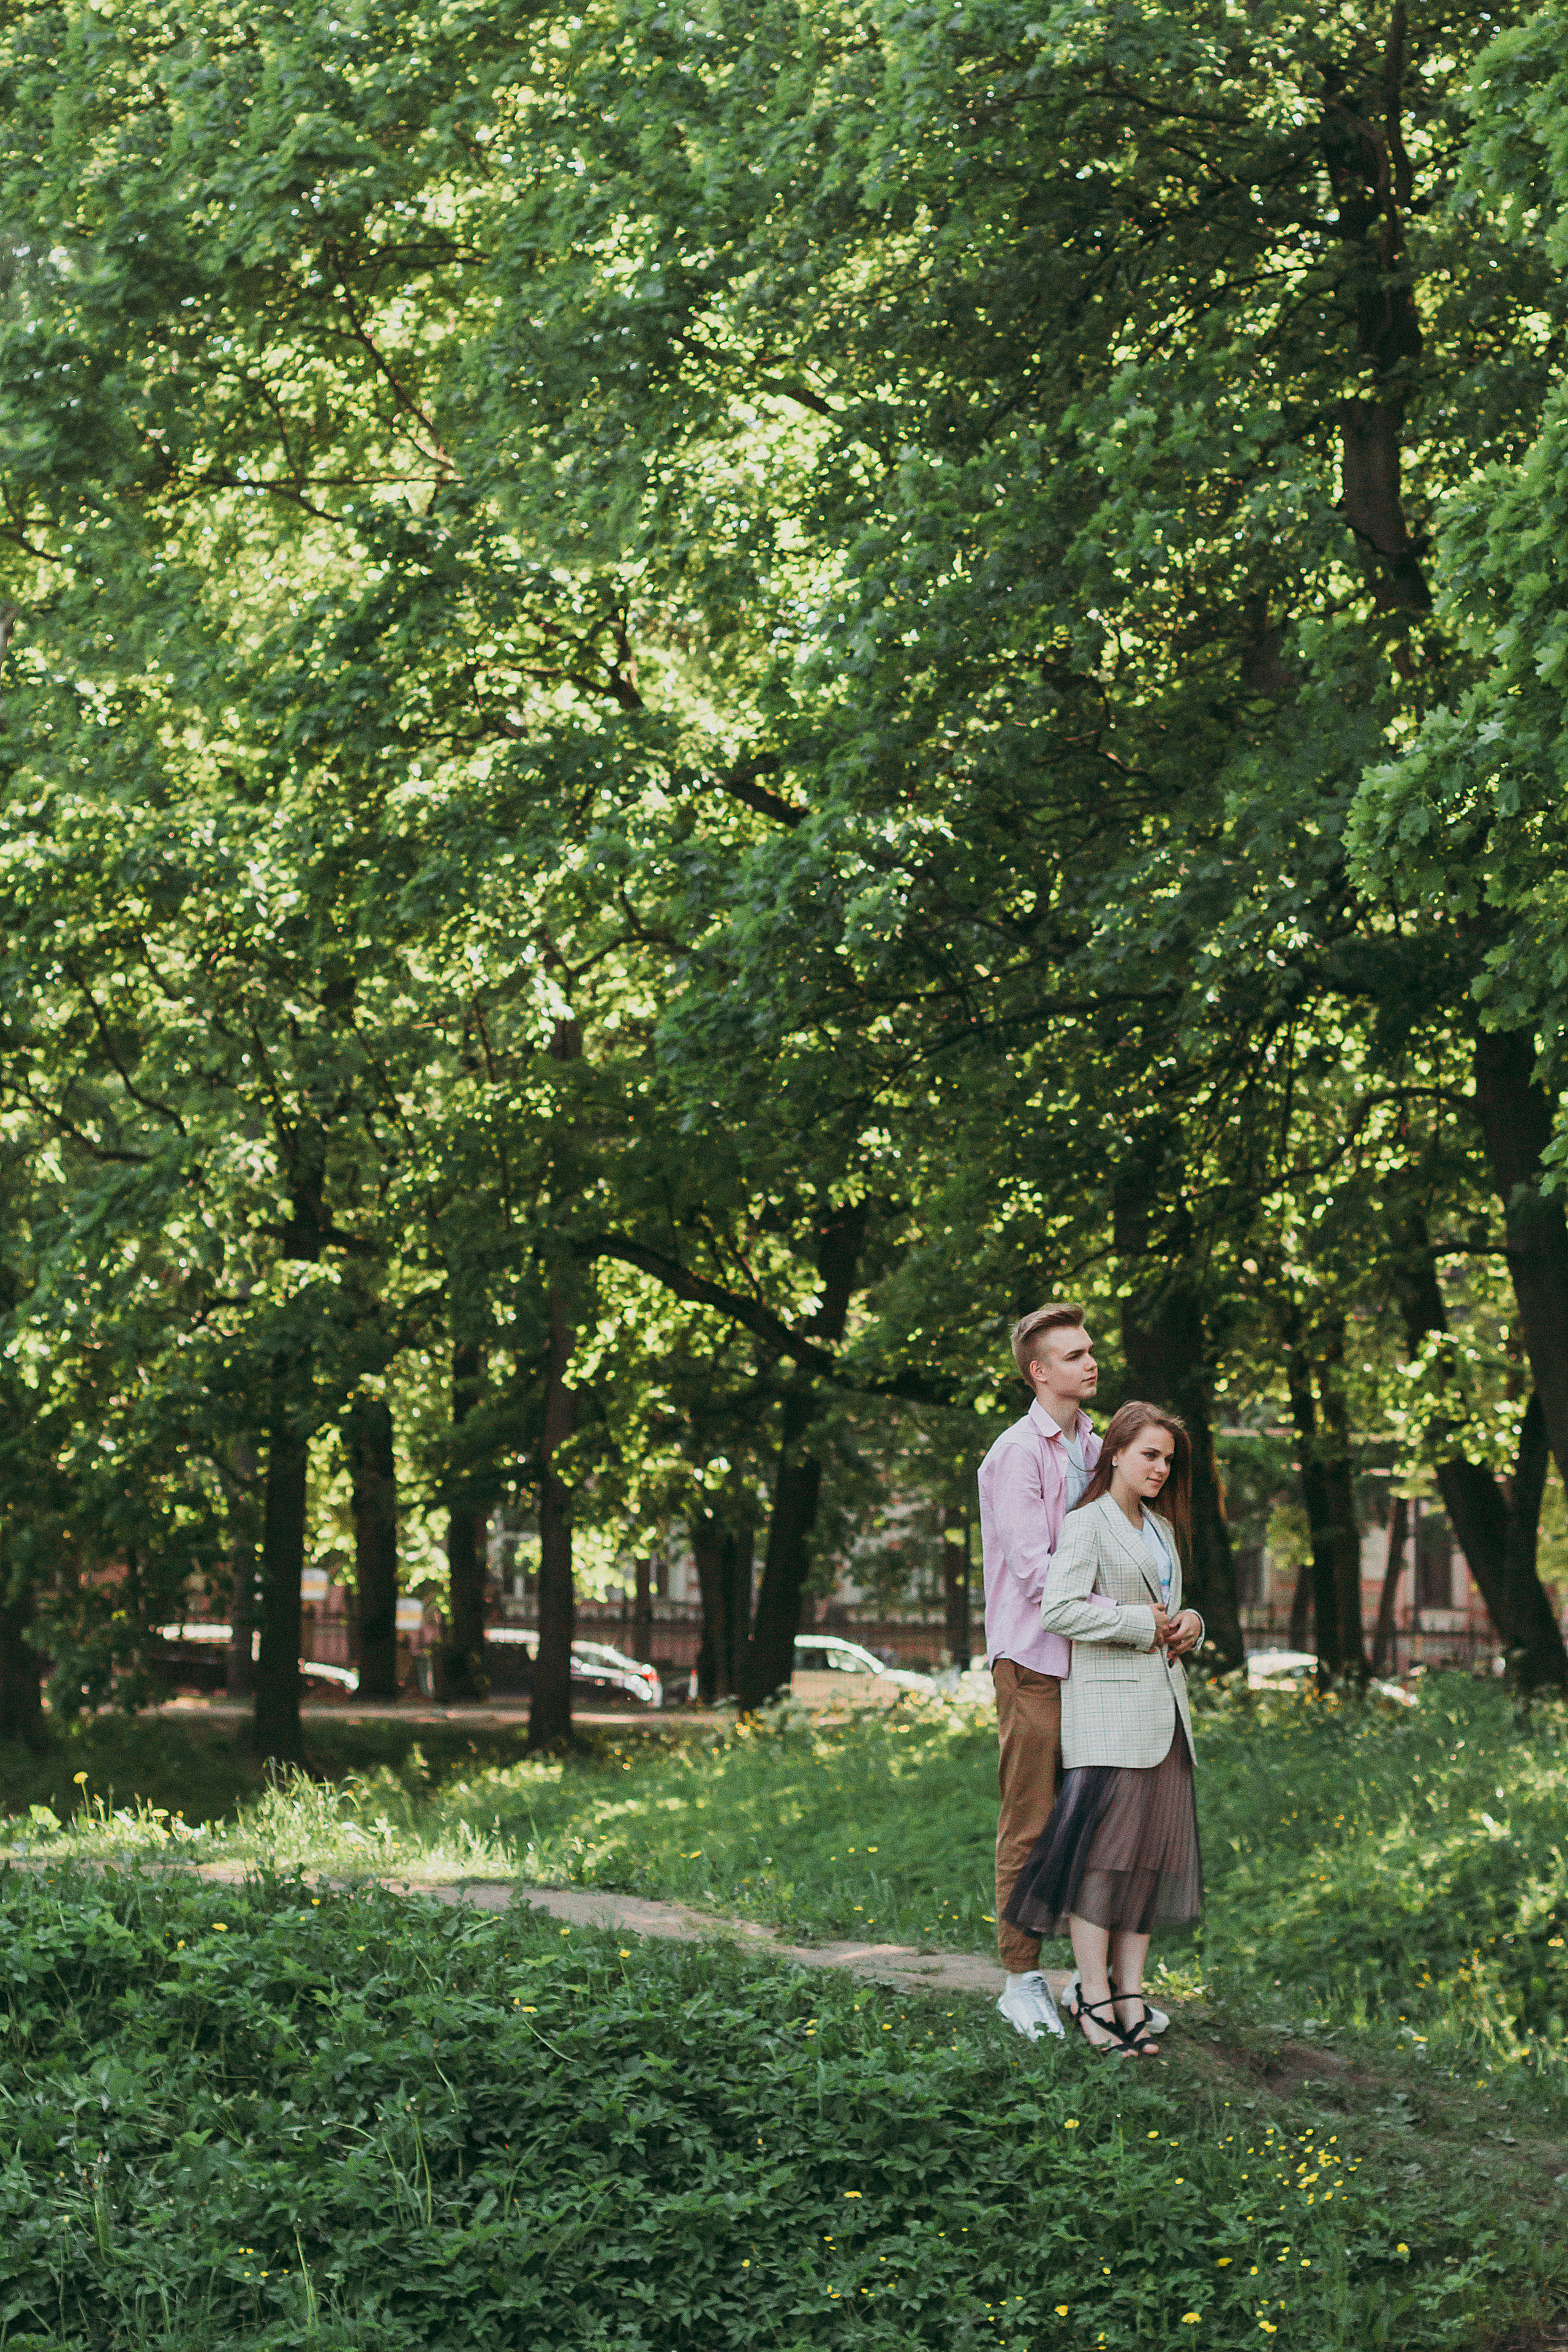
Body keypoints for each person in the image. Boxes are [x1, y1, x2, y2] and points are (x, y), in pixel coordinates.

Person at [1003, 1401, 1205, 2056]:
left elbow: (1166, 1611)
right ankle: (1091, 1998)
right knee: (1103, 1863)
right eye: (1149, 1454)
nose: (1160, 1468)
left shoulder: (1164, 1530)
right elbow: (1060, 1609)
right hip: (1108, 1717)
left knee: (1147, 1864)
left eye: (1168, 1460)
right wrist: (1137, 1623)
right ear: (1115, 1452)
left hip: (1166, 1716)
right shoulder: (1084, 1526)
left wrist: (1192, 1623)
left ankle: (1130, 1997)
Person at [977, 1302, 1102, 2042]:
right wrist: (1121, 1614)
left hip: (1097, 1665)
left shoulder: (1099, 1442)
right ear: (1039, 1371)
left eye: (1091, 1350)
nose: (1090, 1362)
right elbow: (1035, 1575)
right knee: (1030, 1823)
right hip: (1033, 1662)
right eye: (1075, 1354)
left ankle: (1095, 1984)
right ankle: (1020, 1980)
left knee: (1098, 1822)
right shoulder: (1016, 1455)